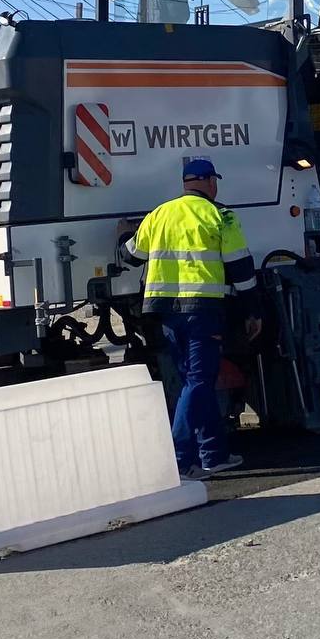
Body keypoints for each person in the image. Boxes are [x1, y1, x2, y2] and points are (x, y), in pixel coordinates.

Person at [121, 158, 256, 479]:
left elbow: (130, 256)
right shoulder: (221, 216)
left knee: (195, 382)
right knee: (197, 382)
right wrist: (253, 310)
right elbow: (241, 270)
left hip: (165, 313)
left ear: (185, 183)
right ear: (210, 182)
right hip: (202, 311)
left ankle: (213, 455)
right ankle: (180, 461)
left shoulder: (159, 215)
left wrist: (123, 233)